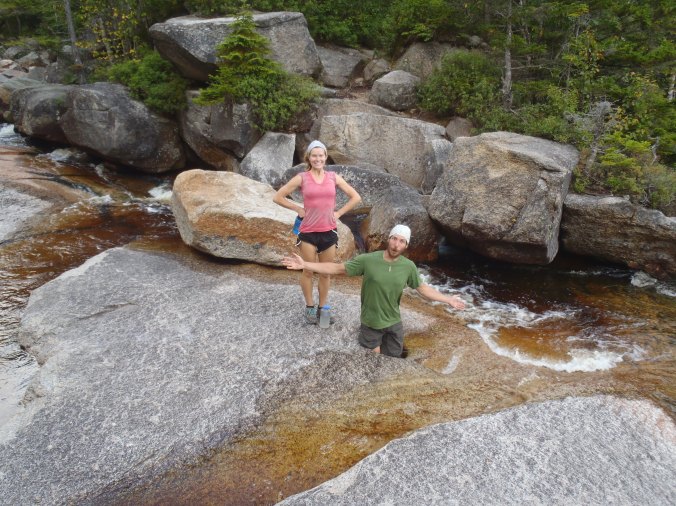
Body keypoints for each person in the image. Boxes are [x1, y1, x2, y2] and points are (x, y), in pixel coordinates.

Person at [281, 224, 466, 357]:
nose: (396, 244)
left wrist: (448, 299)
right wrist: (306, 264)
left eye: (402, 241)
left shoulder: (408, 267)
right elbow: (337, 269)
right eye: (394, 238)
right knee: (375, 358)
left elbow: (423, 289)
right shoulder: (368, 260)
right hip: (371, 322)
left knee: (394, 356)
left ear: (406, 245)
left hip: (394, 322)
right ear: (389, 239)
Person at [273, 140, 361, 324]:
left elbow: (356, 197)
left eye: (321, 155)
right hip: (308, 231)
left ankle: (322, 307)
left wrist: (339, 213)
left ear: (325, 157)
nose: (318, 158)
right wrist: (297, 209)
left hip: (329, 231)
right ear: (309, 157)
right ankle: (310, 307)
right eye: (314, 155)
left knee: (325, 273)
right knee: (307, 271)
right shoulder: (302, 178)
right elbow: (278, 197)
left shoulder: (333, 177)